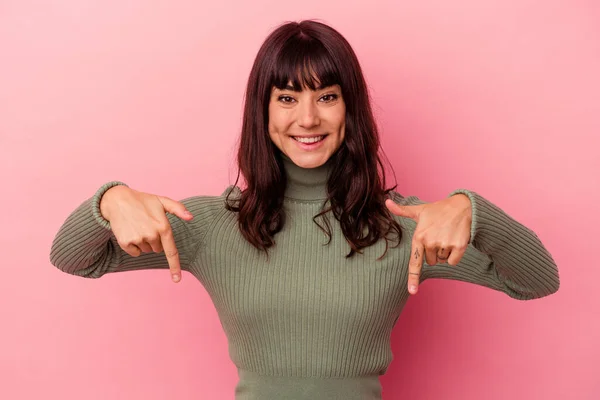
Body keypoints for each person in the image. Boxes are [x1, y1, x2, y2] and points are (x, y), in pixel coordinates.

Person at [49, 20, 560, 400]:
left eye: (327, 96)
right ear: (262, 110)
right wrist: (109, 200)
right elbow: (75, 257)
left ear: (350, 108)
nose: (308, 118)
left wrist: (473, 210)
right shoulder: (209, 226)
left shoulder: (402, 228)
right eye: (287, 98)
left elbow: (535, 280)